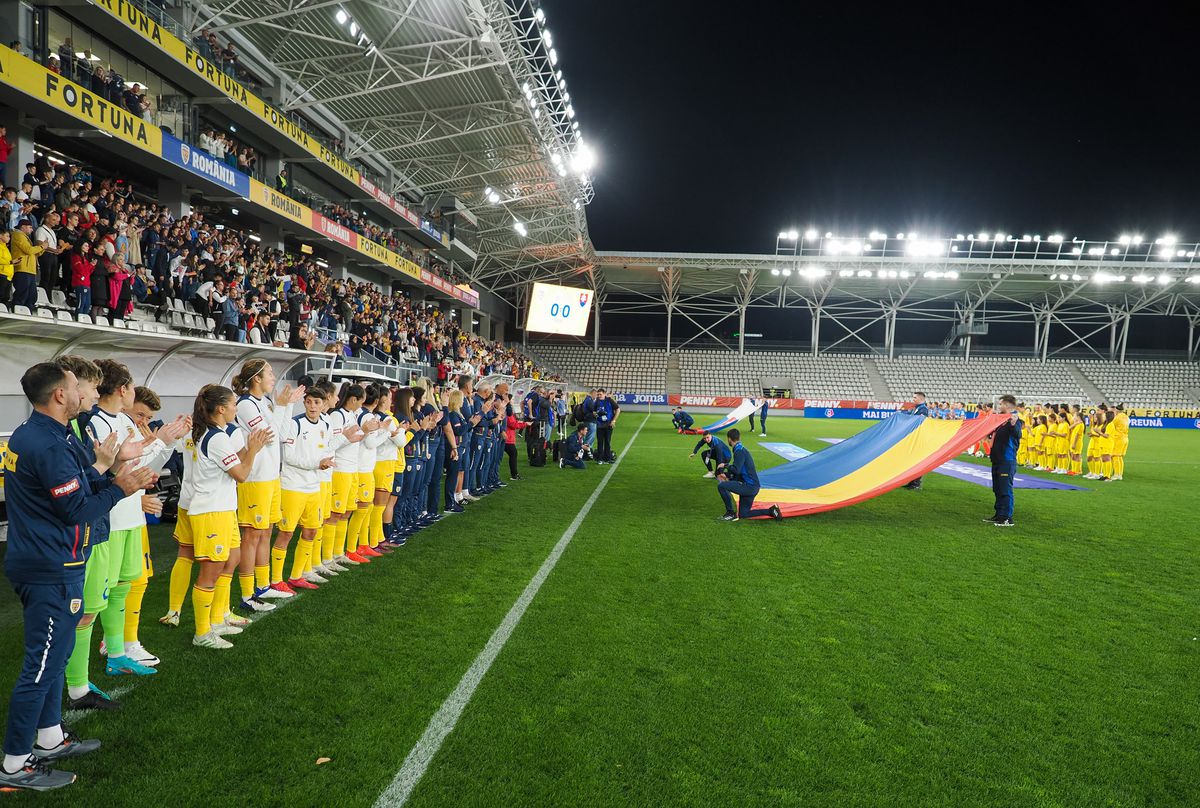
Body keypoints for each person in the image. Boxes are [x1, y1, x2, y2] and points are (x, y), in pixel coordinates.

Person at [0, 363, 153, 792]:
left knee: (57, 654)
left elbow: (81, 485)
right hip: (48, 566)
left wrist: (108, 473)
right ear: (59, 396)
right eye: (76, 387)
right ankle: (14, 764)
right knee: (41, 665)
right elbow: (76, 509)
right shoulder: (46, 443)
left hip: (54, 561)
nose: (86, 393)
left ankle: (49, 738)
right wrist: (120, 488)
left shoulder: (46, 434)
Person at [187, 385, 271, 648]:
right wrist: (253, 449)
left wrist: (251, 448)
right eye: (233, 403)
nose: (237, 407)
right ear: (221, 409)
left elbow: (234, 463)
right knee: (210, 572)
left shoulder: (217, 433)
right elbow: (242, 475)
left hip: (223, 509)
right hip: (211, 511)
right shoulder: (216, 438)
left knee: (232, 559)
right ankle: (202, 633)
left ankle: (217, 618)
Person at [716, 429, 782, 522]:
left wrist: (725, 465)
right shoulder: (740, 449)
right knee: (744, 514)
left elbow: (736, 470)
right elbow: (739, 472)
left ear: (729, 439)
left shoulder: (739, 451)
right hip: (753, 487)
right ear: (738, 437)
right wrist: (727, 476)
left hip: (749, 487)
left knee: (722, 486)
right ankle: (771, 511)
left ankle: (730, 513)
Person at [984, 395, 1022, 527]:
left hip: (1007, 460)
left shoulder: (1015, 420)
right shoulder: (1002, 420)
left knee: (1005, 489)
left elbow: (1018, 434)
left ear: (1006, 405)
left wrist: (1013, 424)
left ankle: (1007, 518)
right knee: (998, 488)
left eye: (1000, 404)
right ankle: (999, 515)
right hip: (997, 459)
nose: (999, 406)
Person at [902, 392, 930, 490]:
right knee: (912, 460)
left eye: (914, 397)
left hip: (919, 438)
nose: (913, 399)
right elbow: (909, 415)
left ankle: (916, 483)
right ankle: (912, 481)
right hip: (915, 437)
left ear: (920, 399)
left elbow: (917, 421)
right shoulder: (917, 408)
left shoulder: (923, 409)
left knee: (917, 460)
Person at [504, 400, 530, 480]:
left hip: (508, 437)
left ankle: (514, 474)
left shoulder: (508, 413)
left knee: (513, 454)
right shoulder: (508, 413)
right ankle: (514, 475)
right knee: (513, 454)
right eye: (512, 400)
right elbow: (513, 424)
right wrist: (525, 424)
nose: (513, 402)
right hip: (507, 438)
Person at [593, 389, 619, 464]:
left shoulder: (609, 400)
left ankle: (607, 459)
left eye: (600, 394)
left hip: (608, 424)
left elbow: (618, 409)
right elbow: (594, 411)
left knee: (607, 442)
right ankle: (600, 459)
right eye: (598, 394)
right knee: (600, 442)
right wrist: (596, 414)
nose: (599, 396)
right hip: (599, 425)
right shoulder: (597, 401)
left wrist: (614, 420)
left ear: (604, 394)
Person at [1111, 403, 1129, 480]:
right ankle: (1120, 474)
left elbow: (1112, 426)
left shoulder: (1117, 418)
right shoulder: (1126, 417)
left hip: (1118, 438)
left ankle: (1117, 474)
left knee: (1115, 456)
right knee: (1120, 457)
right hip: (1125, 438)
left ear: (1117, 410)